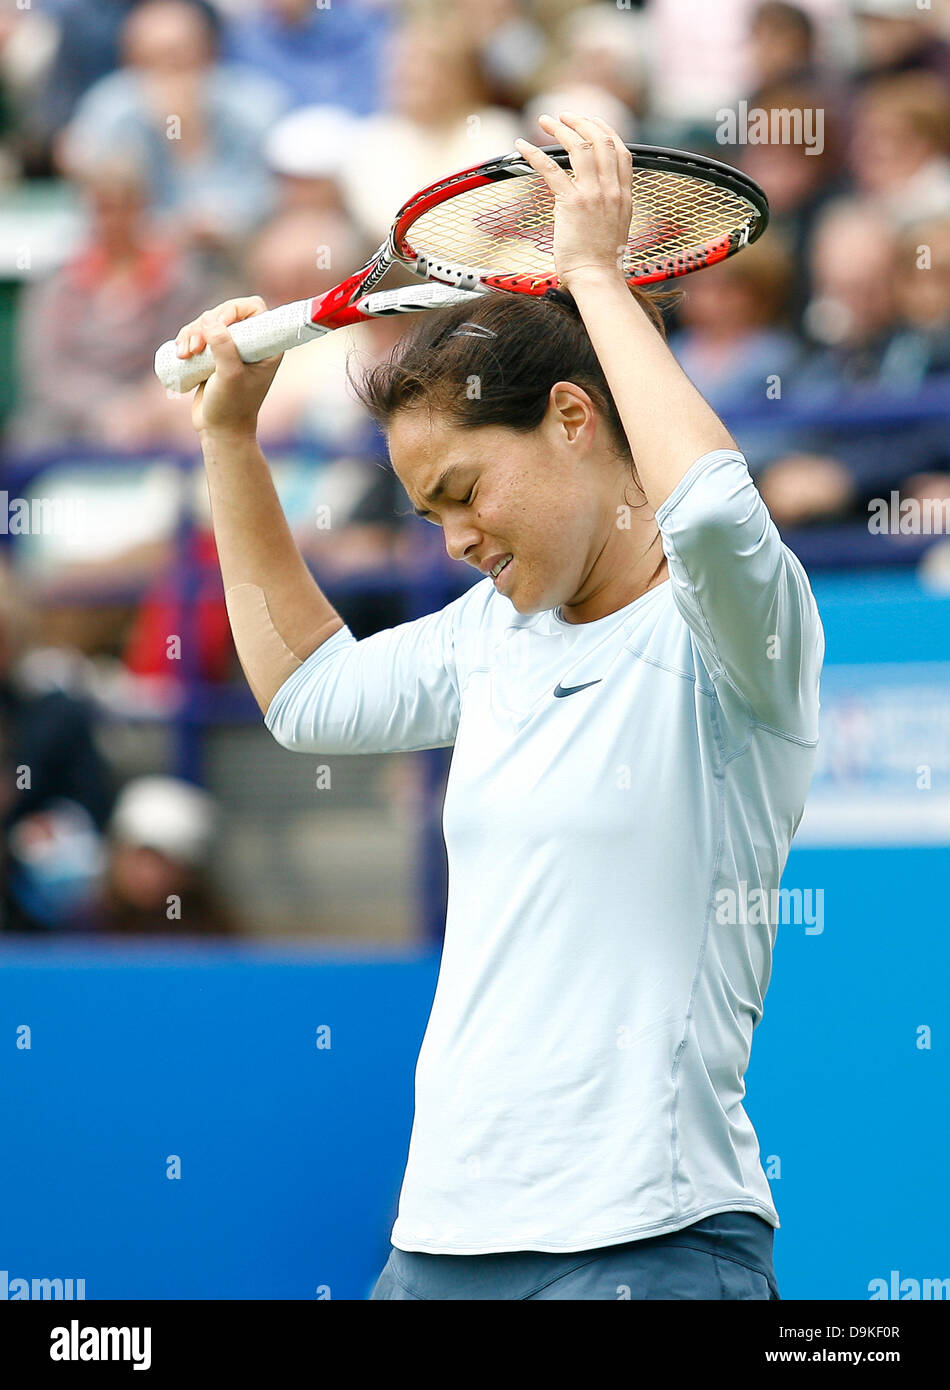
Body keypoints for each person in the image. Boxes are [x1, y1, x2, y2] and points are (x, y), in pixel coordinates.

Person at [172, 111, 824, 1299]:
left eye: (464, 490)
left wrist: (591, 277)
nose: (456, 539)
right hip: (437, 1245)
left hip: (651, 1242)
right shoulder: (490, 633)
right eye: (427, 515)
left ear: (572, 419)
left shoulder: (736, 630)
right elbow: (309, 694)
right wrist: (230, 436)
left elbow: (718, 514)